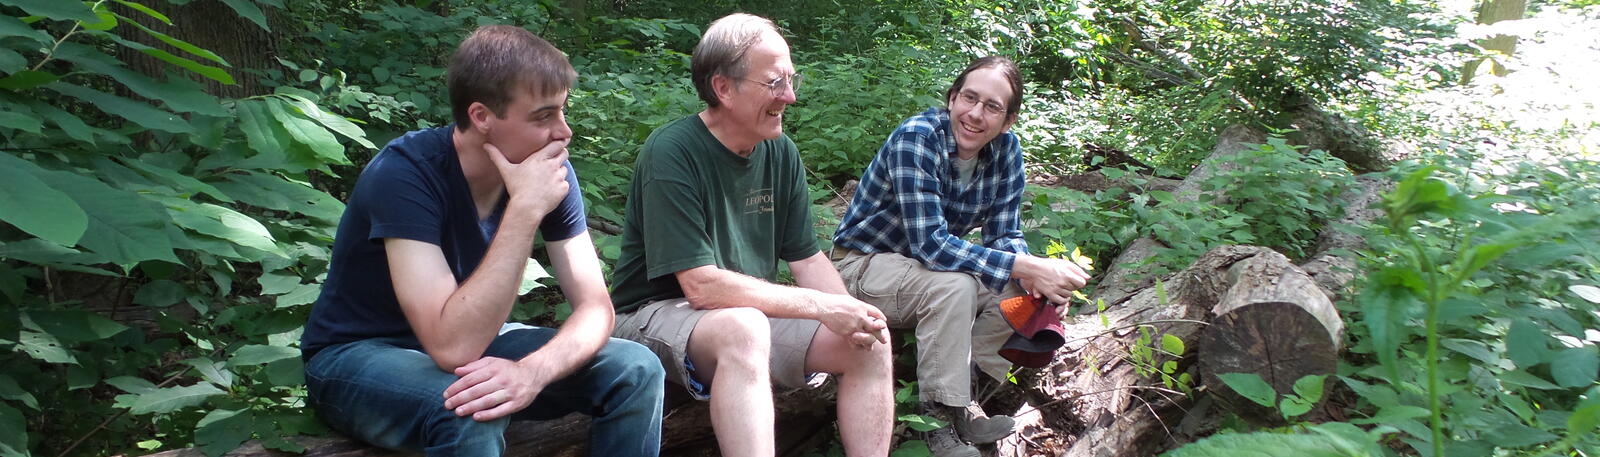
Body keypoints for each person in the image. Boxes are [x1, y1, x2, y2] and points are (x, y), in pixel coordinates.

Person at [299, 25, 664, 457]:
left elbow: (596, 309)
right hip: (355, 355)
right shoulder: (405, 173)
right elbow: (453, 348)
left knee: (636, 368)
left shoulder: (547, 172)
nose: (564, 132)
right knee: (470, 409)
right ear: (482, 117)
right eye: (543, 116)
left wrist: (531, 372)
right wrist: (524, 210)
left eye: (563, 112)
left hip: (473, 339)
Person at [608, 13, 894, 457]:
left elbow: (807, 259)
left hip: (743, 315)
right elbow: (701, 286)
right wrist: (823, 307)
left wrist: (851, 312)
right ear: (723, 88)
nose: (790, 96)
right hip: (650, 315)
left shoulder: (780, 152)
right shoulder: (672, 151)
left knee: (871, 341)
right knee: (744, 328)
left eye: (791, 80)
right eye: (775, 82)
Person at [830, 56, 1092, 457]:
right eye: (970, 98)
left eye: (992, 107)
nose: (975, 114)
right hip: (861, 267)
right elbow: (931, 245)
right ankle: (935, 425)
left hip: (922, 273)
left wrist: (1034, 279)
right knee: (956, 286)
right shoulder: (918, 138)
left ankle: (965, 399)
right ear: (953, 98)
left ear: (1008, 121)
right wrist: (1028, 266)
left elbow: (1004, 234)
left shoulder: (1006, 152)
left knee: (1020, 294)